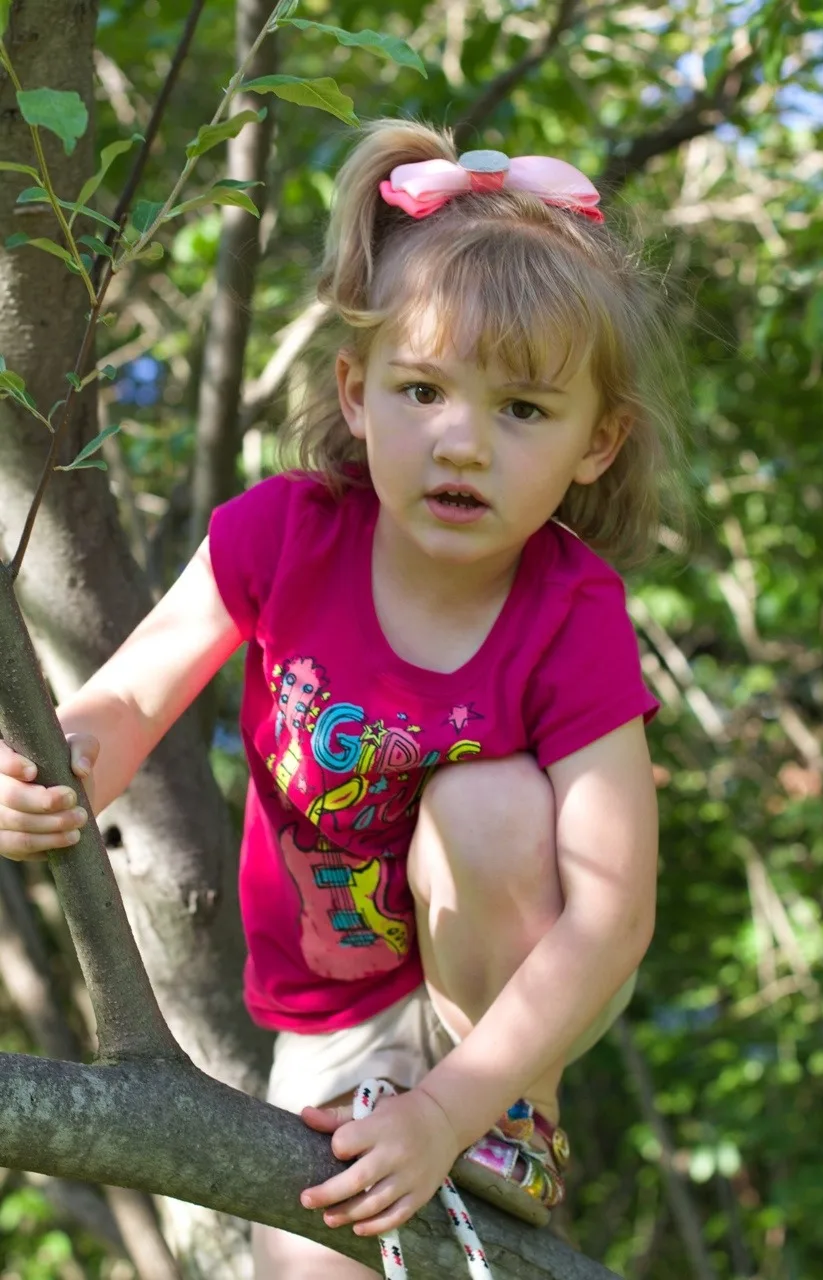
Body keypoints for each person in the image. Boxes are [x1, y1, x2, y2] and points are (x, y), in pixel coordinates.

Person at [0, 118, 686, 1278]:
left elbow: (613, 911)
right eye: (423, 390)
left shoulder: (571, 612)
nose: (462, 440)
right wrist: (43, 775)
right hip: (330, 1012)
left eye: (522, 409)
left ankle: (517, 1128)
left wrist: (456, 1105)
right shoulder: (282, 537)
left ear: (596, 441)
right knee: (311, 1261)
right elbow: (120, 709)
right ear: (356, 392)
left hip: (509, 997)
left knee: (490, 805)